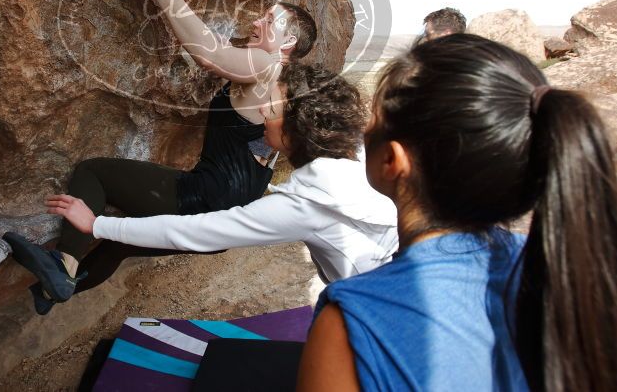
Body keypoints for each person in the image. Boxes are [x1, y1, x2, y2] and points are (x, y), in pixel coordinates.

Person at [4, 0, 319, 312]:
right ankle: (56, 290)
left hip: (203, 200)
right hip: (227, 224)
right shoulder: (288, 85)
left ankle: (64, 265)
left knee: (94, 173)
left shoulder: (267, 64)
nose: (256, 22)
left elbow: (210, 55)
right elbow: (220, 54)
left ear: (289, 42)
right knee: (120, 244)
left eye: (269, 19)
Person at [297, 34, 617, 391]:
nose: (365, 128)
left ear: (392, 161)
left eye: (373, 119)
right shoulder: (575, 275)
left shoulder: (353, 321)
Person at [44, 65, 398, 287]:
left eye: (271, 108)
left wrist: (97, 225)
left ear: (296, 129)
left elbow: (196, 230)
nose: (262, 108)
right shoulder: (360, 160)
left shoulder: (305, 206)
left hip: (373, 306)